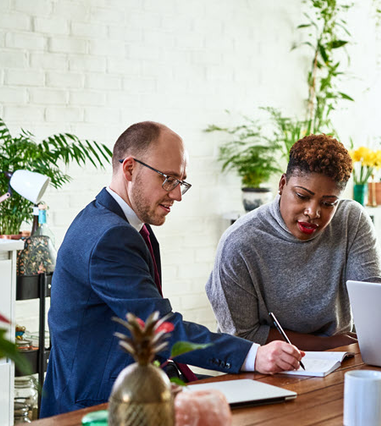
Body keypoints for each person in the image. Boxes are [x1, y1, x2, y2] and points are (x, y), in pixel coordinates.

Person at [41, 122, 303, 417]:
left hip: (129, 387)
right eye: (168, 179)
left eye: (181, 181)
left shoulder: (120, 224)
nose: (177, 195)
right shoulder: (110, 237)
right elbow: (161, 329)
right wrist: (254, 354)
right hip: (97, 407)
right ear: (129, 169)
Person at [206, 134, 381, 351]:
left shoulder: (351, 220)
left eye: (328, 203)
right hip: (264, 367)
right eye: (302, 196)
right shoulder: (239, 243)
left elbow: (374, 304)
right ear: (282, 184)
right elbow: (242, 335)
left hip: (339, 359)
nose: (313, 212)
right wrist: (326, 344)